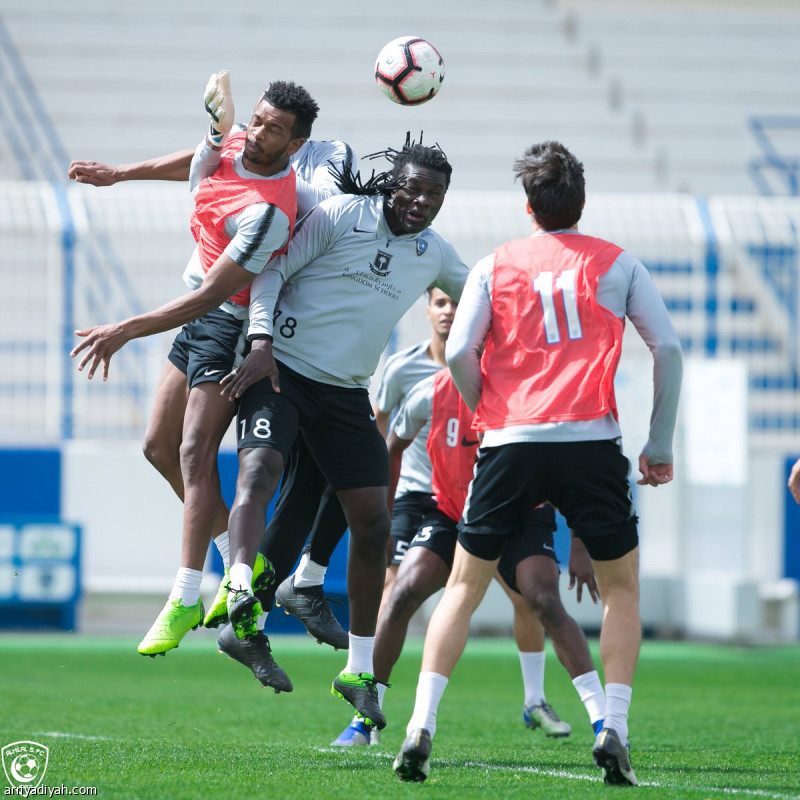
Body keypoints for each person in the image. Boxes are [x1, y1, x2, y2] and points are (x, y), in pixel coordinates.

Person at [394, 141, 683, 785]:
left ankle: (420, 725)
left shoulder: (496, 264)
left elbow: (463, 351)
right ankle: (613, 727)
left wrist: (489, 413)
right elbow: (666, 347)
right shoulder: (618, 263)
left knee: (464, 588)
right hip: (590, 443)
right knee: (620, 591)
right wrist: (658, 444)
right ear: (582, 204)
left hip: (510, 441)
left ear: (528, 207)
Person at [68, 76, 358, 668]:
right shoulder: (237, 145)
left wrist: (124, 329)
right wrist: (119, 175)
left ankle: (184, 595)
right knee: (156, 446)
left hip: (228, 324)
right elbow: (205, 156)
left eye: (276, 131)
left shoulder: (273, 213)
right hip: (197, 316)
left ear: (297, 144)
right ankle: (235, 561)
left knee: (197, 452)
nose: (258, 136)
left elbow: (213, 296)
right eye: (257, 121)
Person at [210, 137, 469, 728]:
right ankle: (243, 595)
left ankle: (356, 671)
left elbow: (482, 297)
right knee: (260, 471)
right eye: (413, 187)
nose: (422, 201)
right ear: (390, 184)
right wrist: (259, 344)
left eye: (435, 193)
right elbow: (273, 272)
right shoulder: (341, 215)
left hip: (346, 390)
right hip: (283, 371)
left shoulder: (434, 253)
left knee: (372, 520)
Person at [333, 365, 601, 747]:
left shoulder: (533, 388)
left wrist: (579, 545)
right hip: (450, 512)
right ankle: (365, 720)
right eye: (440, 303)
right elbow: (391, 445)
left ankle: (602, 721)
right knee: (401, 593)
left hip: (522, 516)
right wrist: (385, 518)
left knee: (542, 600)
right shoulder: (427, 389)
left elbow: (570, 468)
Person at [266, 287, 459, 654]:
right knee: (393, 586)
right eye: (441, 303)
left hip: (472, 496)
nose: (449, 311)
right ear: (429, 310)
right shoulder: (404, 369)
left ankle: (535, 696)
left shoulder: (485, 368)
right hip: (415, 494)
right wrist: (381, 495)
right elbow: (380, 432)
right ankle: (364, 668)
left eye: (457, 304)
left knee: (529, 595)